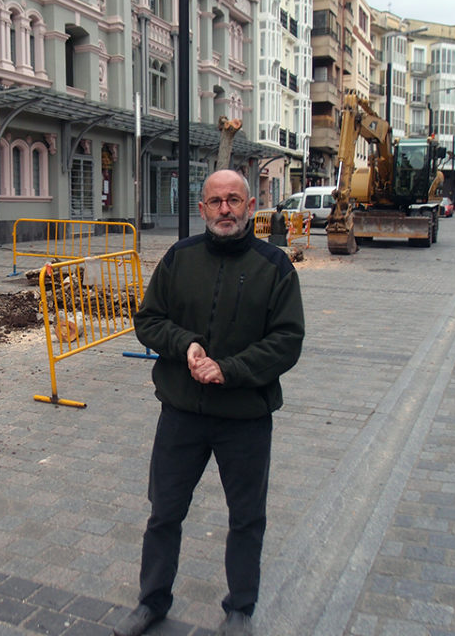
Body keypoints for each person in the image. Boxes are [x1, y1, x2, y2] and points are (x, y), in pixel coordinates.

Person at [115, 169, 304, 636]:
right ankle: (152, 601)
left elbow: (287, 340)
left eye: (234, 200)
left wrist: (231, 369)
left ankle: (240, 608)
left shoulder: (275, 267)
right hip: (182, 413)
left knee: (246, 518)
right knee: (164, 512)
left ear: (251, 207)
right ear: (201, 208)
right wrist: (189, 346)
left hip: (245, 418)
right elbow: (149, 320)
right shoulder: (180, 258)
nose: (225, 209)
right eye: (215, 201)